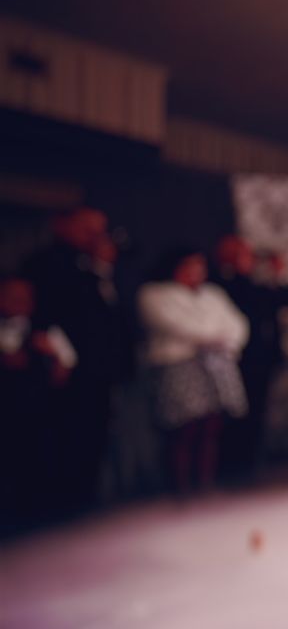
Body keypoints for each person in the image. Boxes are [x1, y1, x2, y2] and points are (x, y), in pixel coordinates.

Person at [22, 207, 132, 515]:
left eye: (100, 230)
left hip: (98, 369)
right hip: (62, 371)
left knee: (93, 436)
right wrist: (60, 357)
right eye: (87, 228)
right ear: (62, 225)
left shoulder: (96, 268)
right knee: (62, 438)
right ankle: (54, 506)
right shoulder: (45, 265)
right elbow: (43, 318)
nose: (95, 236)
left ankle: (83, 501)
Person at [138, 247, 250, 496]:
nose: (195, 272)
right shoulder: (155, 294)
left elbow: (236, 323)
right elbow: (177, 325)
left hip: (216, 363)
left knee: (212, 424)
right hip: (178, 364)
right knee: (184, 425)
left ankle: (205, 483)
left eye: (199, 266)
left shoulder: (212, 294)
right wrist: (213, 335)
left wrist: (225, 339)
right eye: (189, 266)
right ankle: (181, 486)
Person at [0, 274, 77, 528]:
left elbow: (65, 369)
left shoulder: (44, 328)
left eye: (26, 297)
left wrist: (52, 356)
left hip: (43, 406)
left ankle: (51, 511)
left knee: (47, 454)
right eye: (13, 297)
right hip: (8, 411)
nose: (21, 302)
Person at [210, 234, 285, 478]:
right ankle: (233, 468)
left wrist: (275, 275)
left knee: (256, 412)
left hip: (260, 358)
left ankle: (249, 464)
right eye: (245, 255)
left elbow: (272, 303)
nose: (251, 260)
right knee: (235, 416)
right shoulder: (220, 285)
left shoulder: (250, 283)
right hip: (236, 359)